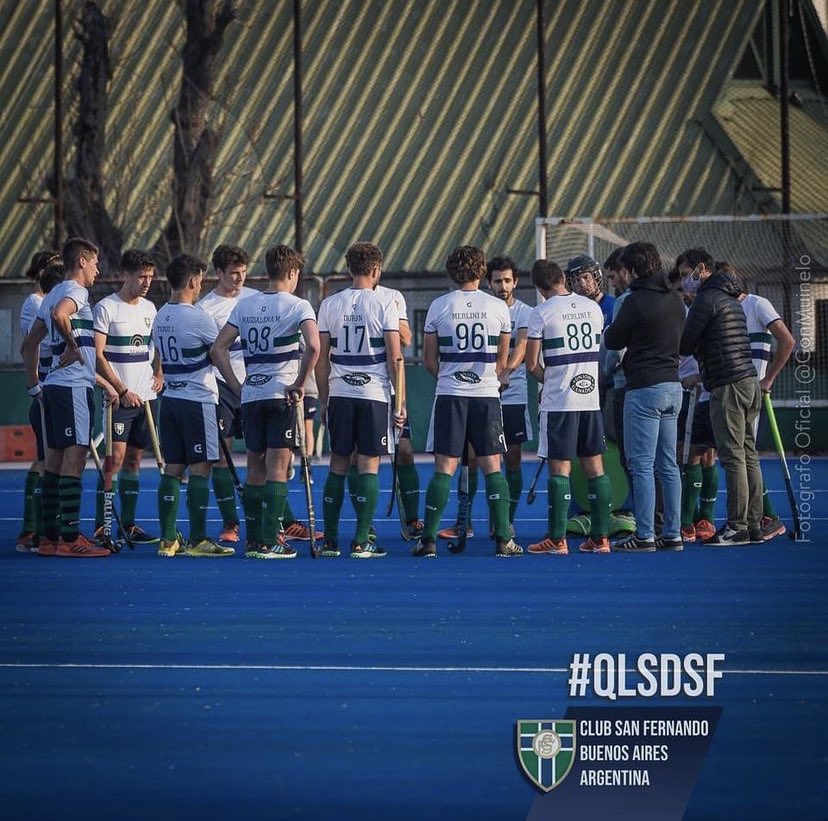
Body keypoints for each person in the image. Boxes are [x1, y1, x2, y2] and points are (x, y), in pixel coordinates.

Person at [211, 244, 320, 559]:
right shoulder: (298, 305)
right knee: (278, 467)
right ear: (291, 273)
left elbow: (219, 349)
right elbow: (313, 347)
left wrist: (237, 385)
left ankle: (255, 539)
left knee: (254, 467)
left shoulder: (246, 305)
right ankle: (271, 539)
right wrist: (299, 384)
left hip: (252, 395)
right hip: (278, 395)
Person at [413, 245, 520, 558]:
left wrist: (451, 378)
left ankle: (428, 541)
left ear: (450, 272)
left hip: (450, 395)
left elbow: (429, 360)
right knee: (492, 466)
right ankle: (503, 539)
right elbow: (502, 362)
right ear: (483, 272)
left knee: (443, 468)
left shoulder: (439, 305)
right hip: (486, 396)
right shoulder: (499, 308)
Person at [21, 237, 116, 557]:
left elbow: (28, 346)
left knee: (54, 465)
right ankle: (71, 539)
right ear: (83, 262)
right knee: (74, 463)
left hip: (53, 388)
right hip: (74, 387)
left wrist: (35, 386)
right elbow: (63, 317)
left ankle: (49, 539)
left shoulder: (49, 295)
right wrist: (73, 345)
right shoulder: (75, 291)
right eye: (95, 263)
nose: (98, 270)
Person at [316, 241, 405, 558]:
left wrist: (325, 399)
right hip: (373, 394)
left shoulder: (330, 303)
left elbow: (321, 359)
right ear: (376, 270)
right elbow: (395, 358)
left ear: (349, 269)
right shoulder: (384, 304)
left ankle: (328, 540)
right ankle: (361, 540)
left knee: (338, 465)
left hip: (340, 393)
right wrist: (401, 403)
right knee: (368, 465)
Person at [437, 255, 530, 541]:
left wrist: (506, 373)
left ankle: (505, 521)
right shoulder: (485, 307)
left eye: (507, 280)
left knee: (511, 457)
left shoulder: (525, 312)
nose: (502, 286)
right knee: (473, 458)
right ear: (489, 281)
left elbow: (521, 346)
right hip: (481, 394)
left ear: (515, 282)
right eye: (497, 280)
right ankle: (464, 520)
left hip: (511, 393)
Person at [524, 259, 612, 555]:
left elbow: (532, 363)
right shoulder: (593, 308)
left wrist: (547, 382)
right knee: (595, 468)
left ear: (538, 287)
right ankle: (601, 538)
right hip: (590, 398)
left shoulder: (541, 313)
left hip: (560, 400)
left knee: (559, 469)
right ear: (564, 278)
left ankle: (558, 539)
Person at [604, 242, 685, 552]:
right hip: (672, 386)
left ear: (633, 270)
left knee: (641, 465)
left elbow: (614, 339)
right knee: (668, 465)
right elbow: (686, 339)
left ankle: (645, 534)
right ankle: (674, 533)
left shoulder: (634, 301)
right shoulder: (675, 299)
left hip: (643, 388)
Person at [151, 254, 234, 558]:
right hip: (197, 401)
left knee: (173, 469)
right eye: (199, 279)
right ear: (191, 281)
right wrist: (237, 388)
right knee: (201, 469)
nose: (201, 285)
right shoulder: (198, 317)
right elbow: (220, 350)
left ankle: (168, 539)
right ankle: (198, 538)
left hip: (170, 399)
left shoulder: (160, 315)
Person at [679, 256, 763, 546]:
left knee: (731, 456)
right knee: (748, 453)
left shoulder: (706, 299)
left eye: (688, 273)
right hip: (748, 380)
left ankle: (737, 526)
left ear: (703, 270)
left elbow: (686, 344)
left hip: (726, 383)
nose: (685, 280)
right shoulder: (732, 299)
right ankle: (753, 524)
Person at [92, 249, 163, 545]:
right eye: (141, 276)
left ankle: (130, 524)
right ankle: (102, 525)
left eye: (150, 276)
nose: (146, 282)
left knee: (135, 459)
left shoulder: (150, 308)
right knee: (115, 460)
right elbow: (96, 356)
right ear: (125, 275)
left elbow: (156, 346)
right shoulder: (106, 308)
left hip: (146, 399)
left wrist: (159, 374)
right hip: (119, 400)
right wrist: (121, 390)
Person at [197, 244, 257, 546]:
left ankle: (279, 520)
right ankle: (230, 522)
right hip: (223, 387)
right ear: (218, 273)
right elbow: (210, 353)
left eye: (244, 273)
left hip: (259, 386)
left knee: (266, 454)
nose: (240, 278)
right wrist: (234, 385)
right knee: (222, 456)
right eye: (233, 273)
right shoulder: (205, 309)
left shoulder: (257, 299)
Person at [735, 265, 794, 540]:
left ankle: (762, 517)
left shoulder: (758, 304)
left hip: (750, 392)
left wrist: (768, 379)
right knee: (739, 458)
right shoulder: (725, 310)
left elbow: (788, 340)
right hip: (732, 391)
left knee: (745, 458)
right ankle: (765, 515)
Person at [16, 250, 61, 552]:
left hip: (52, 385)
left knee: (46, 458)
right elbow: (36, 346)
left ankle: (37, 529)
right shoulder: (37, 303)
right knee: (46, 460)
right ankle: (32, 531)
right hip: (48, 386)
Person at [675, 249, 719, 543]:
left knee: (697, 454)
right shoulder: (688, 310)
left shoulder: (704, 310)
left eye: (684, 278)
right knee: (699, 455)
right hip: (690, 388)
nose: (683, 288)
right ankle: (700, 520)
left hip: (701, 390)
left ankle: (696, 520)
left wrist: (699, 378)